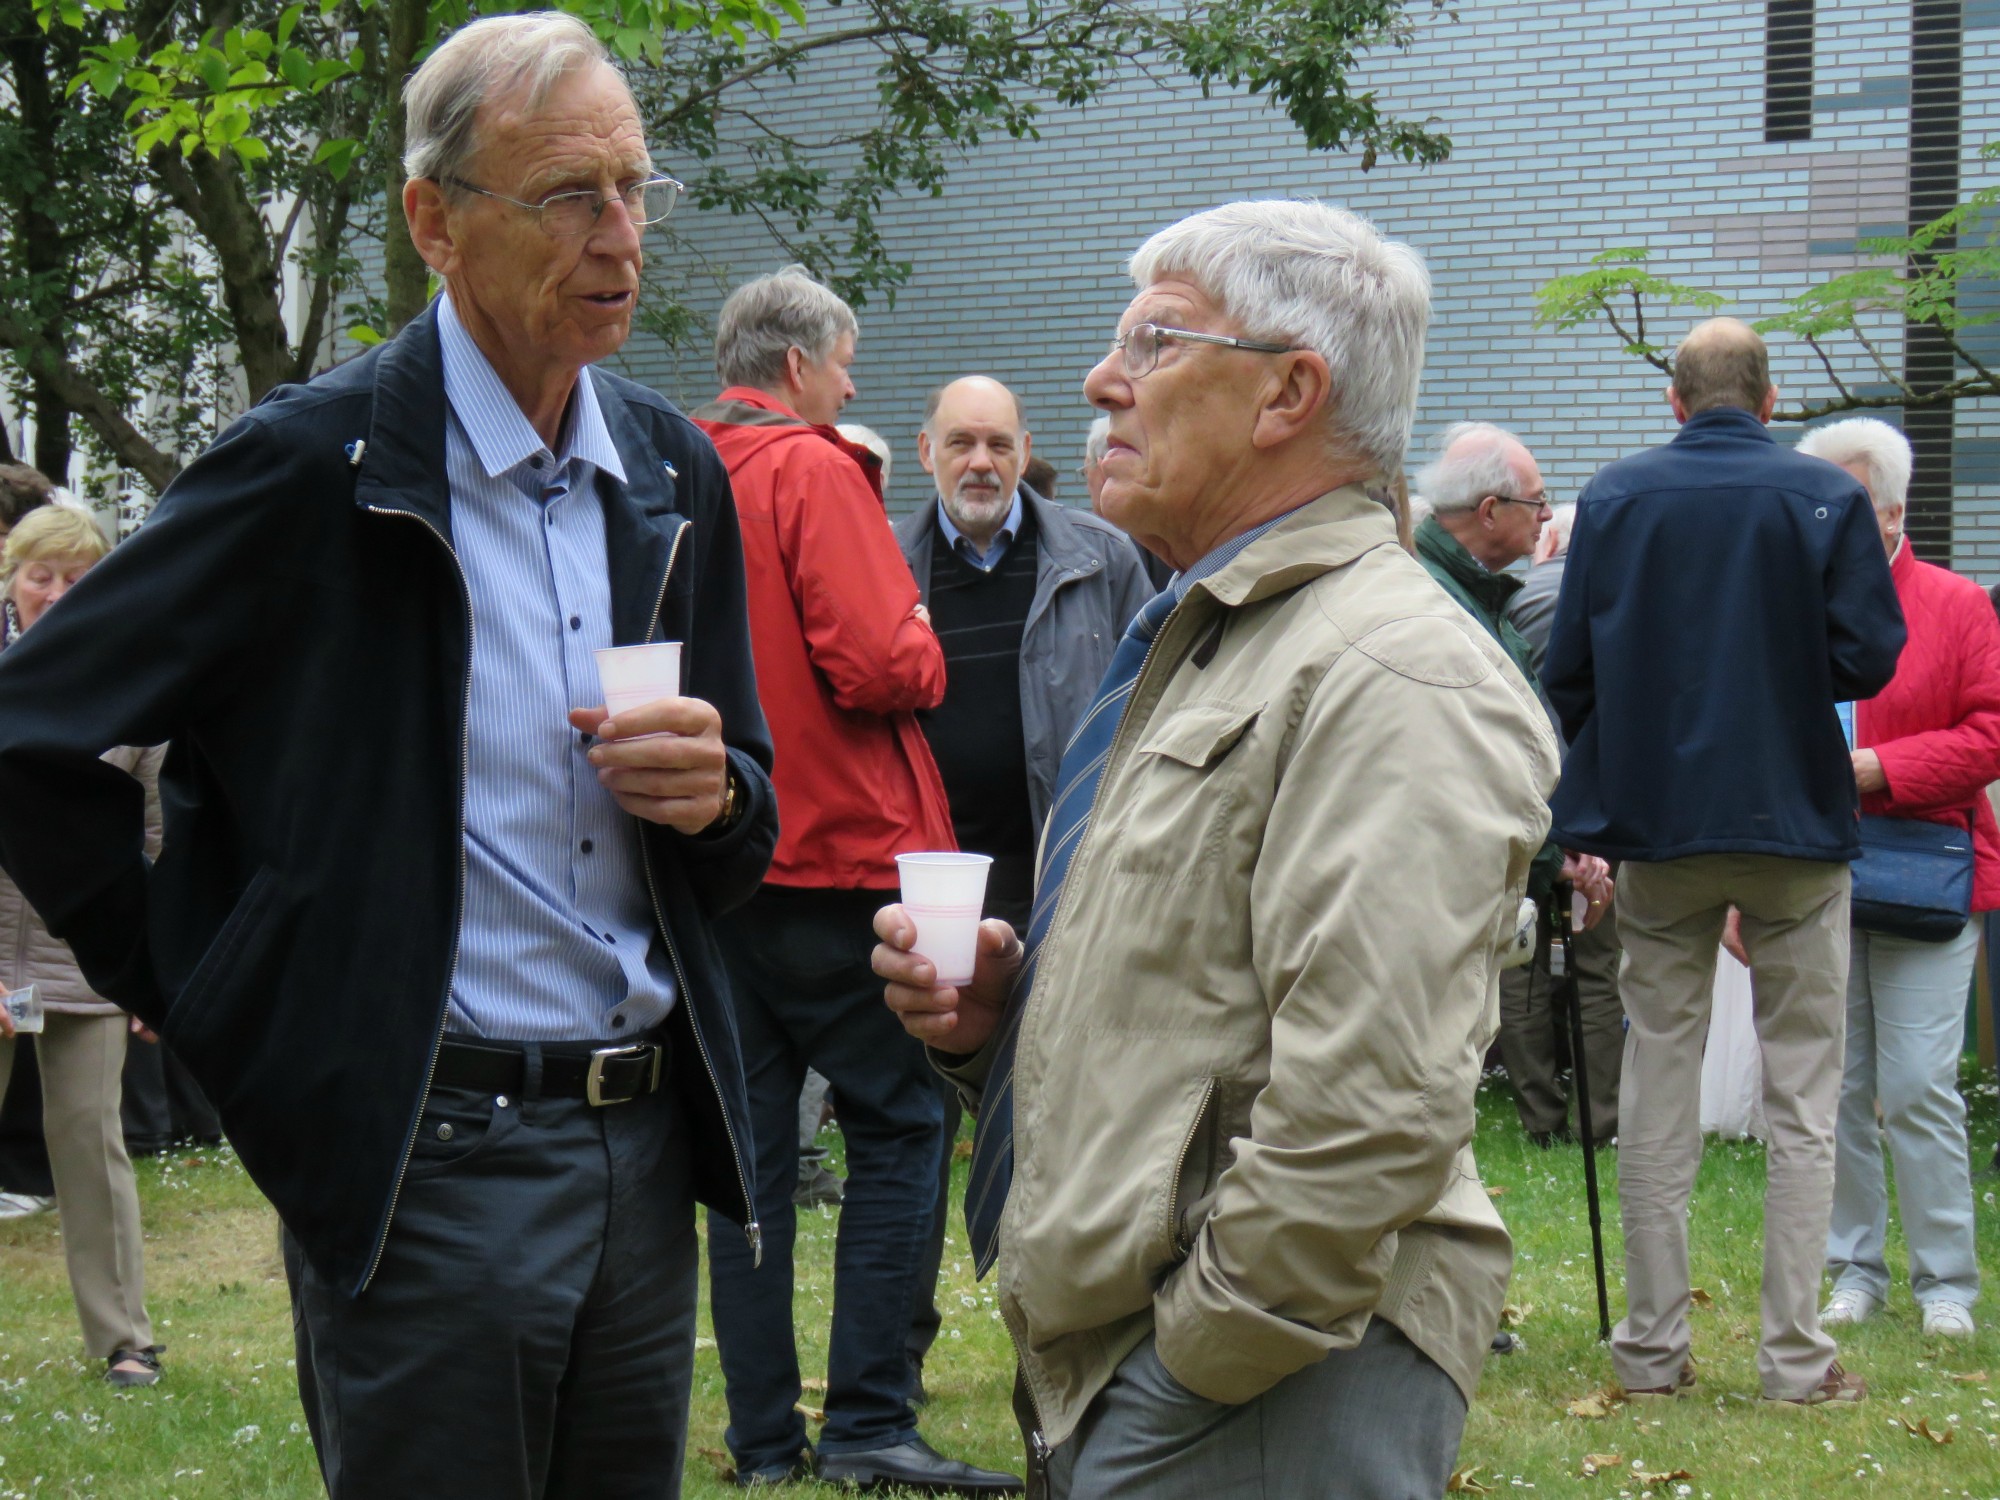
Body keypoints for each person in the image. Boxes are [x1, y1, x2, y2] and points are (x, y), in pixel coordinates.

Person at [0, 14, 781, 1495]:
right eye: (567, 195)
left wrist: (720, 790)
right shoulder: (317, 467)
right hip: (428, 1149)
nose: (619, 235)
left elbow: (743, 824)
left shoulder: (673, 475)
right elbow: (30, 728)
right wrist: (199, 979)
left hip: (640, 1141)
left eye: (635, 189)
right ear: (436, 221)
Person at [875, 199, 1557, 1498]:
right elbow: (1203, 987)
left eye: (1157, 338)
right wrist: (998, 1021)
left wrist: (1194, 1364)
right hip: (1166, 1367)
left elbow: (1370, 1103)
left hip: (1260, 1384)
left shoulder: (1389, 669)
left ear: (1288, 393)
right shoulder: (1213, 639)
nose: (1101, 376)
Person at [693, 271, 1019, 1496]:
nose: (849, 387)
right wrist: (924, 639)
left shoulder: (680, 467)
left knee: (752, 1155)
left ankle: (765, 1437)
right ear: (796, 367)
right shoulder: (809, 465)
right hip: (836, 852)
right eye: (844, 364)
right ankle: (872, 1421)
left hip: (723, 857)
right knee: (901, 1120)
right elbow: (883, 660)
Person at [1545, 317, 1905, 1406]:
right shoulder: (1824, 499)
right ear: (1768, 398)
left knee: (1656, 1080)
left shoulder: (1612, 499)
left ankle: (1648, 1350)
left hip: (1661, 828)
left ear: (1671, 400)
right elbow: (1870, 653)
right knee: (1802, 1098)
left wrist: (1598, 808)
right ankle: (1793, 1358)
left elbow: (1569, 670)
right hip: (1794, 820)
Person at [892, 374, 1153, 1405]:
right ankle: (895, 1356)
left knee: (1069, 1115)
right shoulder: (882, 563)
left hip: (1063, 882)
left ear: (1023, 448)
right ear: (927, 452)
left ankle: (1062, 1335)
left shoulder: (1099, 557)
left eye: (996, 442)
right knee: (914, 1126)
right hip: (930, 885)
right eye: (959, 442)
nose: (979, 463)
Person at [1795, 418, 1996, 1341]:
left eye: (1834, 505)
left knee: (1917, 1085)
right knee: (1834, 1085)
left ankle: (1945, 1280)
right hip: (1813, 879)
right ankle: (1853, 1269)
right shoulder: (1790, 605)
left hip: (1924, 878)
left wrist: (1879, 769)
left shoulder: (1956, 605)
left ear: (1889, 511)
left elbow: (1989, 737)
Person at [1413, 427, 1615, 1147]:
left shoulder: (1477, 592)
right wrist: (1557, 850)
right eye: (1536, 501)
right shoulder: (1434, 597)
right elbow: (1474, 753)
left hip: (1525, 844)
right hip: (1450, 865)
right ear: (1491, 509)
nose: (1546, 514)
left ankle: (1542, 1122)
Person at [0, 506, 163, 1387]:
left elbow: (154, 834)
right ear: (12, 578)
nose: (57, 594)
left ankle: (124, 1341)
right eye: (41, 576)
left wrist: (149, 968)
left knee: (91, 1143)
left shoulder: (131, 686)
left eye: (77, 578)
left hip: (86, 956)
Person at [1498, 499, 1628, 1144]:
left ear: (1548, 543)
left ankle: (1539, 1119)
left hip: (1522, 801)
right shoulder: (1622, 601)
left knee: (1520, 962)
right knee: (1596, 966)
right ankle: (1599, 1121)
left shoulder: (1514, 600)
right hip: (1599, 808)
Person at [1082, 413, 1172, 591]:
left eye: (1084, 471)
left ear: (1105, 468)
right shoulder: (1177, 532)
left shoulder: (1101, 542)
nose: (1086, 485)